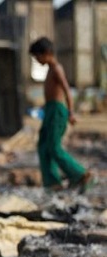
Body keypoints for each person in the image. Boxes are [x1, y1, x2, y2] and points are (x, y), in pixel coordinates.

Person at [29, 37, 93, 193]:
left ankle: (81, 174)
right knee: (43, 146)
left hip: (58, 111)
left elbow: (67, 91)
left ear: (48, 53)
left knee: (54, 147)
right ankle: (52, 183)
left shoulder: (57, 68)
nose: (37, 60)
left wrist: (71, 112)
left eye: (38, 56)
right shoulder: (49, 70)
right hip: (50, 110)